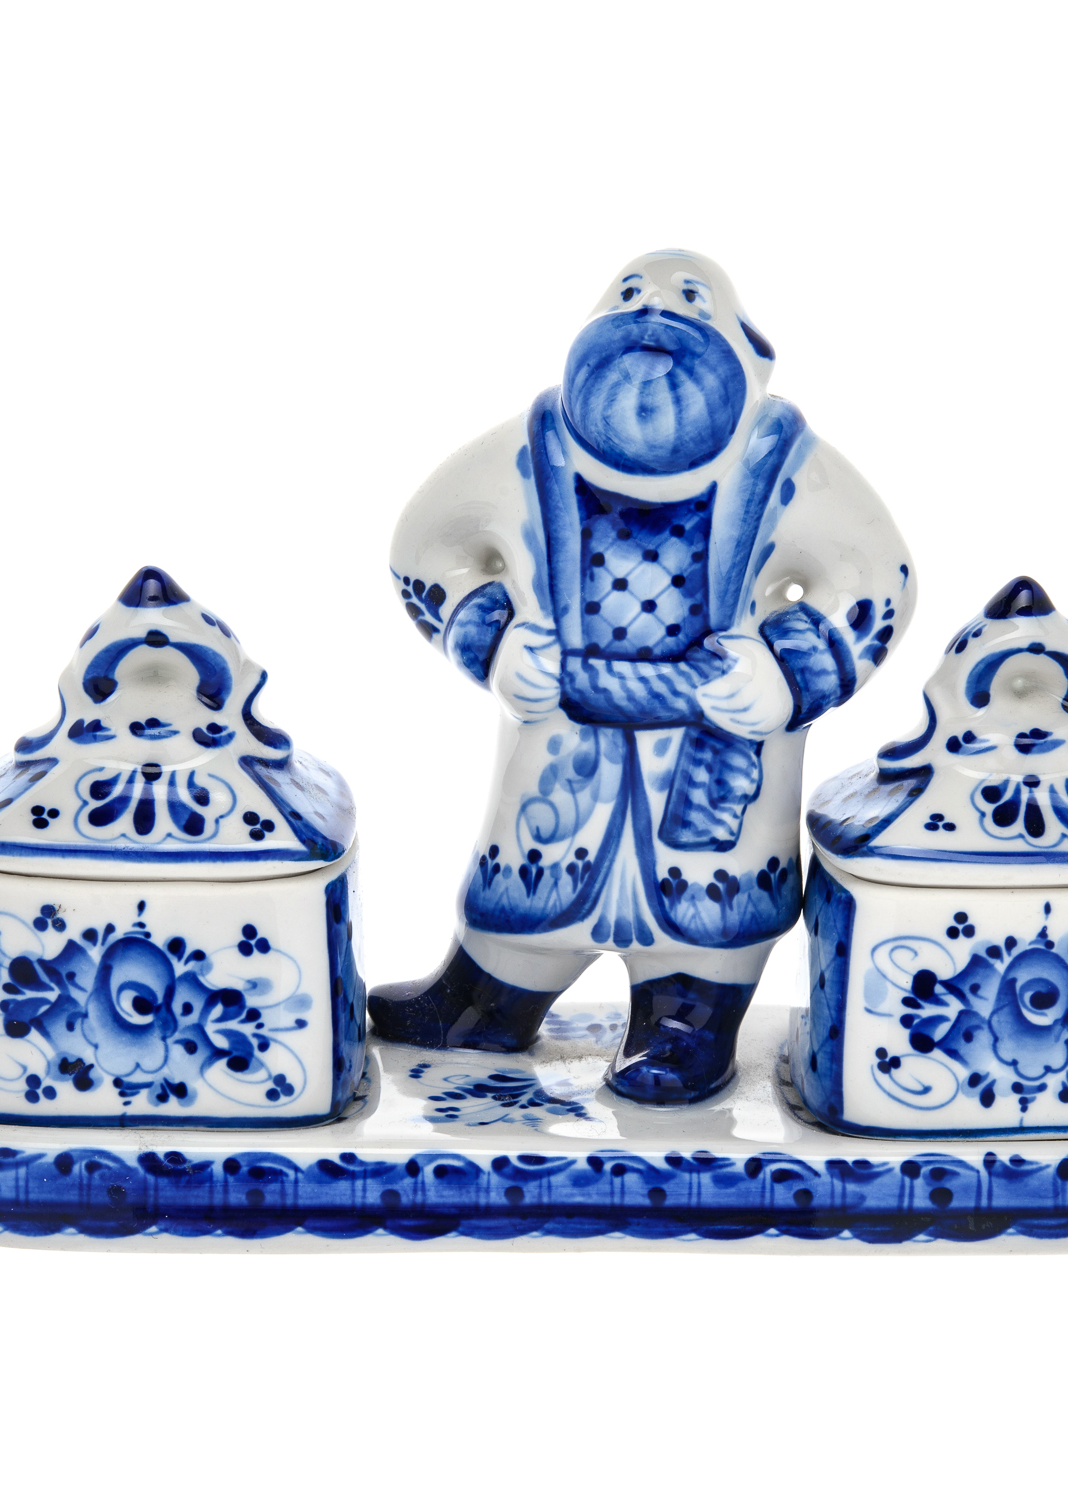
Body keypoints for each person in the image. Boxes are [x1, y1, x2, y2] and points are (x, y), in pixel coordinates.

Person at [370, 249, 914, 1104]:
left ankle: (685, 1027)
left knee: (706, 914)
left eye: (691, 299)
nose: (654, 311)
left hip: (713, 740)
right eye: (628, 294)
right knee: (528, 883)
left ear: (751, 352)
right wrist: (495, 643)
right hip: (563, 733)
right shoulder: (531, 449)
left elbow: (874, 579)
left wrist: (784, 676)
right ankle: (485, 1004)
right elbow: (426, 545)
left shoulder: (781, 460)